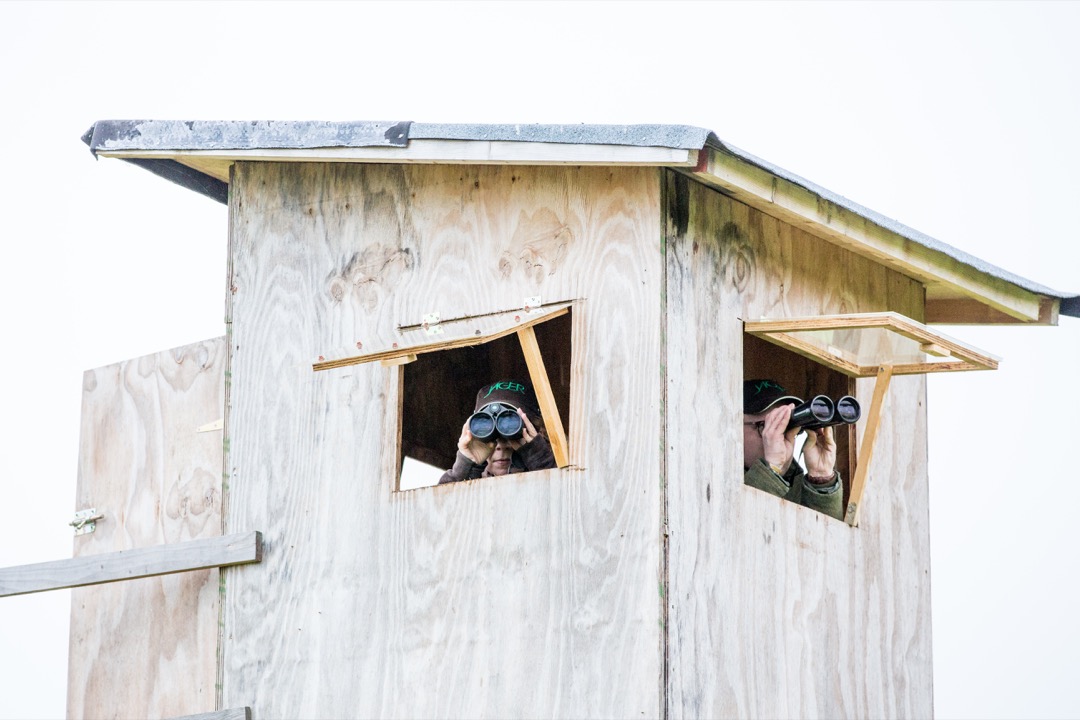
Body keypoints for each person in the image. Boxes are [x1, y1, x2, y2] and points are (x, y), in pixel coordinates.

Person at [742, 379, 843, 520]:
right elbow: (738, 528)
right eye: (765, 425)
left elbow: (826, 539)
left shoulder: (799, 486)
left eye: (786, 426)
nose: (777, 436)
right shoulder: (715, 477)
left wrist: (821, 478)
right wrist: (771, 470)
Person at [438, 380, 556, 484]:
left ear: (537, 433)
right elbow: (442, 506)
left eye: (511, 428)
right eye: (491, 436)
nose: (501, 445)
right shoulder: (472, 494)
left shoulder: (559, 471)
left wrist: (539, 458)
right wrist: (465, 466)